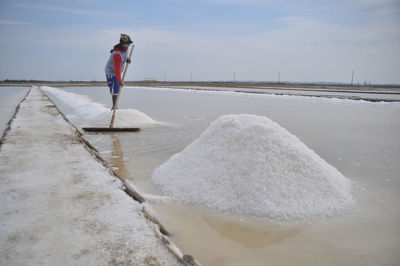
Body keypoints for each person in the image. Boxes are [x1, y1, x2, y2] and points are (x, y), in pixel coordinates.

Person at [105, 34, 133, 110]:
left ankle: (115, 106)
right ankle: (114, 107)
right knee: (115, 88)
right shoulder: (117, 54)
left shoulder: (126, 49)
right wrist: (120, 81)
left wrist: (127, 59)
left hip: (117, 72)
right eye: (126, 44)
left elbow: (123, 55)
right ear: (121, 44)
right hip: (111, 72)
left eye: (129, 44)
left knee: (117, 88)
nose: (127, 46)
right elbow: (117, 69)